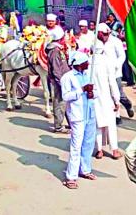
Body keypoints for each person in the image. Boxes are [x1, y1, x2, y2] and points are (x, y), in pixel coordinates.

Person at [61, 52, 96, 189]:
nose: (88, 64)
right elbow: (65, 96)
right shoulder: (67, 78)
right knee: (76, 146)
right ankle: (71, 176)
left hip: (90, 114)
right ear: (79, 64)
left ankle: (85, 170)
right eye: (85, 62)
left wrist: (93, 93)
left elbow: (95, 92)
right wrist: (81, 90)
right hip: (77, 116)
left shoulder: (88, 75)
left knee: (88, 144)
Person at [97, 23, 134, 122]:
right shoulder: (95, 42)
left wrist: (116, 66)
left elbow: (122, 56)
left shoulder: (116, 41)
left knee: (118, 93)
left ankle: (128, 104)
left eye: (106, 34)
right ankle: (116, 115)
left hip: (115, 73)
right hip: (101, 72)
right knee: (107, 93)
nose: (105, 36)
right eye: (103, 34)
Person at [92, 40, 122, 160]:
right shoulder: (106, 62)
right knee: (111, 124)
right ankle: (114, 150)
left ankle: (99, 150)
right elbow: (112, 83)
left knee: (98, 125)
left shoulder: (88, 62)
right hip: (106, 97)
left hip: (93, 98)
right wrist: (117, 99)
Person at [46, 25, 70, 131]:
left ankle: (70, 123)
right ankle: (58, 126)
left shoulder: (58, 49)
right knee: (60, 102)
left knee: (67, 104)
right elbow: (56, 70)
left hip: (65, 80)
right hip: (60, 81)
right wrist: (61, 83)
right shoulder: (55, 51)